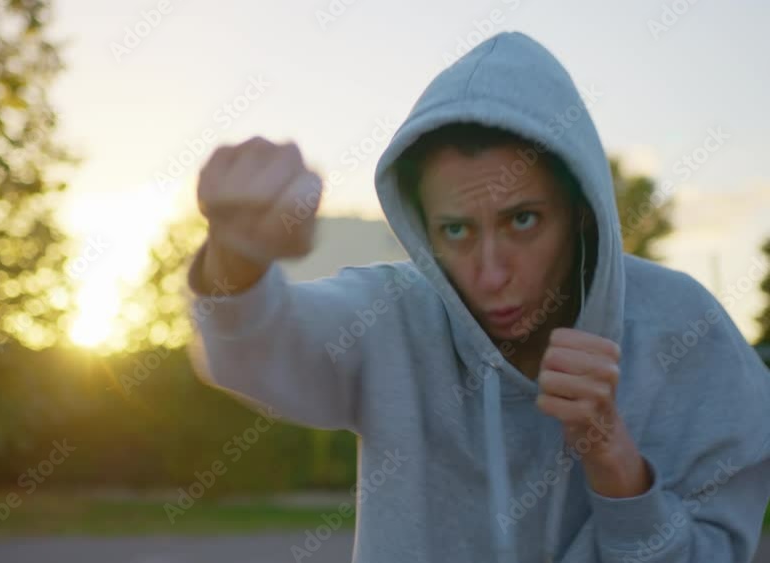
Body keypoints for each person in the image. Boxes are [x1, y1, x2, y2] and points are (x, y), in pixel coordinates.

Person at [186, 31, 770, 563]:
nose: (490, 274)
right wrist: (236, 257)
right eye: (457, 230)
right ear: (423, 229)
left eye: (522, 220)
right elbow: (260, 348)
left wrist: (616, 463)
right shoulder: (390, 316)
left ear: (580, 213)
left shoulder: (686, 332)